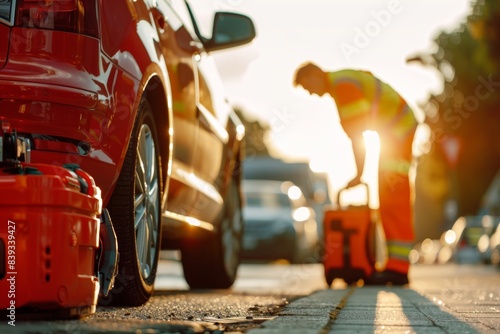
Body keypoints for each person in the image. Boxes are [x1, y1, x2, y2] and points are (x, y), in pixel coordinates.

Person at [293, 62, 418, 285]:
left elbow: (357, 134)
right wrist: (360, 174)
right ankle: (396, 267)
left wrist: (359, 174)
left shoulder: (342, 86)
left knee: (393, 196)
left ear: (315, 74)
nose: (310, 93)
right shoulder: (341, 83)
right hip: (396, 129)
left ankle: (398, 269)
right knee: (390, 195)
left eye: (307, 86)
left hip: (398, 129)